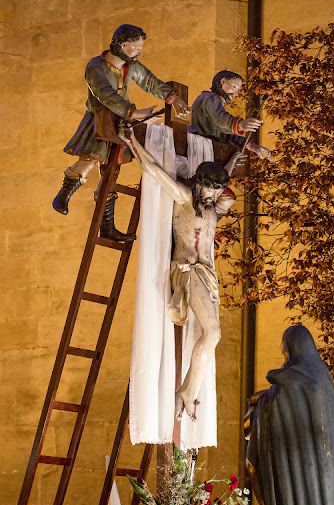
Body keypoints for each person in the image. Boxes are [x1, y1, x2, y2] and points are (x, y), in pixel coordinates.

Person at [120, 123, 241, 421]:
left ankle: (188, 392)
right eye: (210, 188)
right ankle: (187, 394)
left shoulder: (212, 206)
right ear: (199, 182)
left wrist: (235, 157)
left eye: (218, 189)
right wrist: (132, 140)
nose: (214, 194)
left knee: (213, 335)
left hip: (208, 275)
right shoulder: (186, 197)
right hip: (188, 272)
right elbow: (154, 170)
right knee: (212, 332)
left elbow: (226, 168)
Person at [52, 24, 189, 241]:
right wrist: (133, 113)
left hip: (121, 124)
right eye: (135, 48)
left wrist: (173, 98)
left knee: (112, 172)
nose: (139, 53)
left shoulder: (131, 65)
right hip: (100, 120)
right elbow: (104, 94)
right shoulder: (96, 66)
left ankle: (107, 227)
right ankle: (63, 195)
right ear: (123, 45)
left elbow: (149, 81)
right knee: (89, 160)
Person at [245, 324, 334, 505]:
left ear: (293, 346)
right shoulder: (321, 379)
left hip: (294, 460)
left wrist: (260, 403)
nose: (282, 350)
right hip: (314, 464)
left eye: (284, 344)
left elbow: (275, 404)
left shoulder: (291, 381)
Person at [188, 70, 272, 161]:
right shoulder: (211, 97)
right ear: (223, 82)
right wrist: (240, 125)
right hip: (199, 147)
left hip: (204, 146)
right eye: (234, 87)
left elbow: (223, 133)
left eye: (237, 90)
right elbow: (221, 120)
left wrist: (249, 144)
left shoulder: (213, 103)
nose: (236, 94)